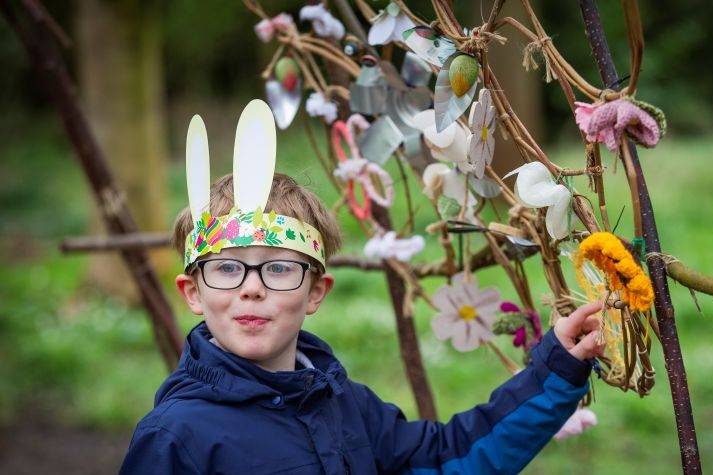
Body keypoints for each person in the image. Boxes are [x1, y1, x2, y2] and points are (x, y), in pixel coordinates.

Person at [119, 100, 606, 475]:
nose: (251, 289)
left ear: (316, 291)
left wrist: (554, 369)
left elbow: (449, 458)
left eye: (279, 269)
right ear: (192, 291)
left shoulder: (343, 404)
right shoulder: (174, 438)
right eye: (227, 269)